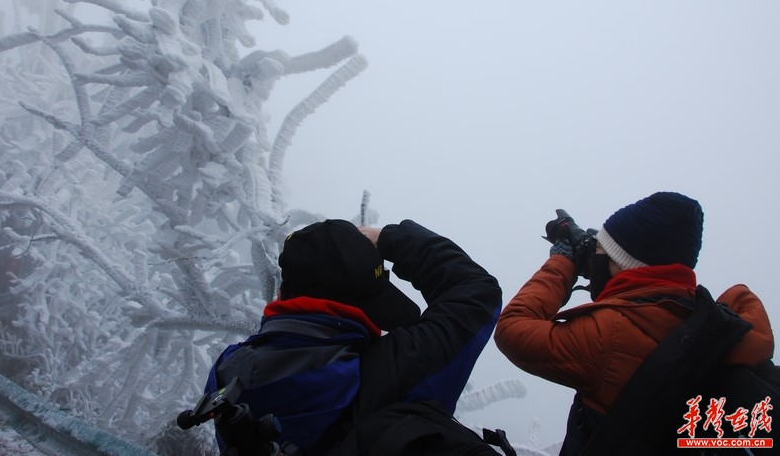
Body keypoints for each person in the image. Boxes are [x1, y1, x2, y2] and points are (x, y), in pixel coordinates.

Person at [494, 192, 775, 455]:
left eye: (601, 251)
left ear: (622, 263)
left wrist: (562, 262)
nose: (596, 258)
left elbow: (512, 328)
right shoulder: (714, 327)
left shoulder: (611, 333)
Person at [205, 218, 503, 455]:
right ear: (360, 310)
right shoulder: (397, 370)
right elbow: (476, 292)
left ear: (282, 295)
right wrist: (389, 239)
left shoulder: (227, 376)